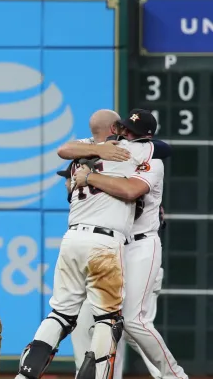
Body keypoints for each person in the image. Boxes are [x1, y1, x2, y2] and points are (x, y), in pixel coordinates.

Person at [17, 109, 163, 379]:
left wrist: (96, 150)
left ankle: (24, 375)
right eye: (120, 126)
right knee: (108, 320)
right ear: (115, 129)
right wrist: (113, 146)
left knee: (60, 314)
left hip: (71, 239)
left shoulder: (78, 157)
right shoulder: (130, 151)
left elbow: (64, 150)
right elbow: (158, 151)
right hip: (104, 243)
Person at [54, 110, 184, 379]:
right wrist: (96, 153)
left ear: (144, 137)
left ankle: (173, 375)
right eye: (124, 128)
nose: (125, 135)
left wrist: (88, 177)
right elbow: (64, 150)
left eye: (131, 132)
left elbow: (131, 190)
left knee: (134, 322)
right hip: (112, 246)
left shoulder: (149, 156)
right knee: (106, 320)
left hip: (140, 245)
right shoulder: (109, 151)